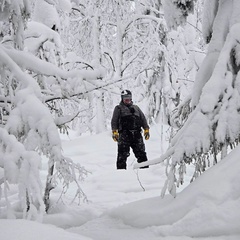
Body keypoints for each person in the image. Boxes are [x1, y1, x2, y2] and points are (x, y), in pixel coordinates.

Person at [111, 90, 150, 169]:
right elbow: (114, 121)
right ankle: (120, 173)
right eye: (125, 98)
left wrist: (146, 129)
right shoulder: (118, 108)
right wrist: (115, 132)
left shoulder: (136, 108)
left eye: (129, 98)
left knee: (141, 154)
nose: (127, 100)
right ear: (122, 98)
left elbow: (143, 119)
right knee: (122, 155)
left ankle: (145, 171)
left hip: (137, 135)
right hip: (124, 135)